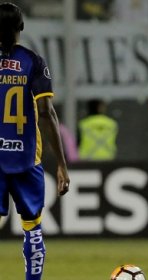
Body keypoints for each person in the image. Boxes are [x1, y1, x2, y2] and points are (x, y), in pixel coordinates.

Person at [0, 3, 70, 280]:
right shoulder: (33, 61)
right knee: (33, 228)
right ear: (21, 28)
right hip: (27, 158)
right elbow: (46, 112)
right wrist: (62, 164)